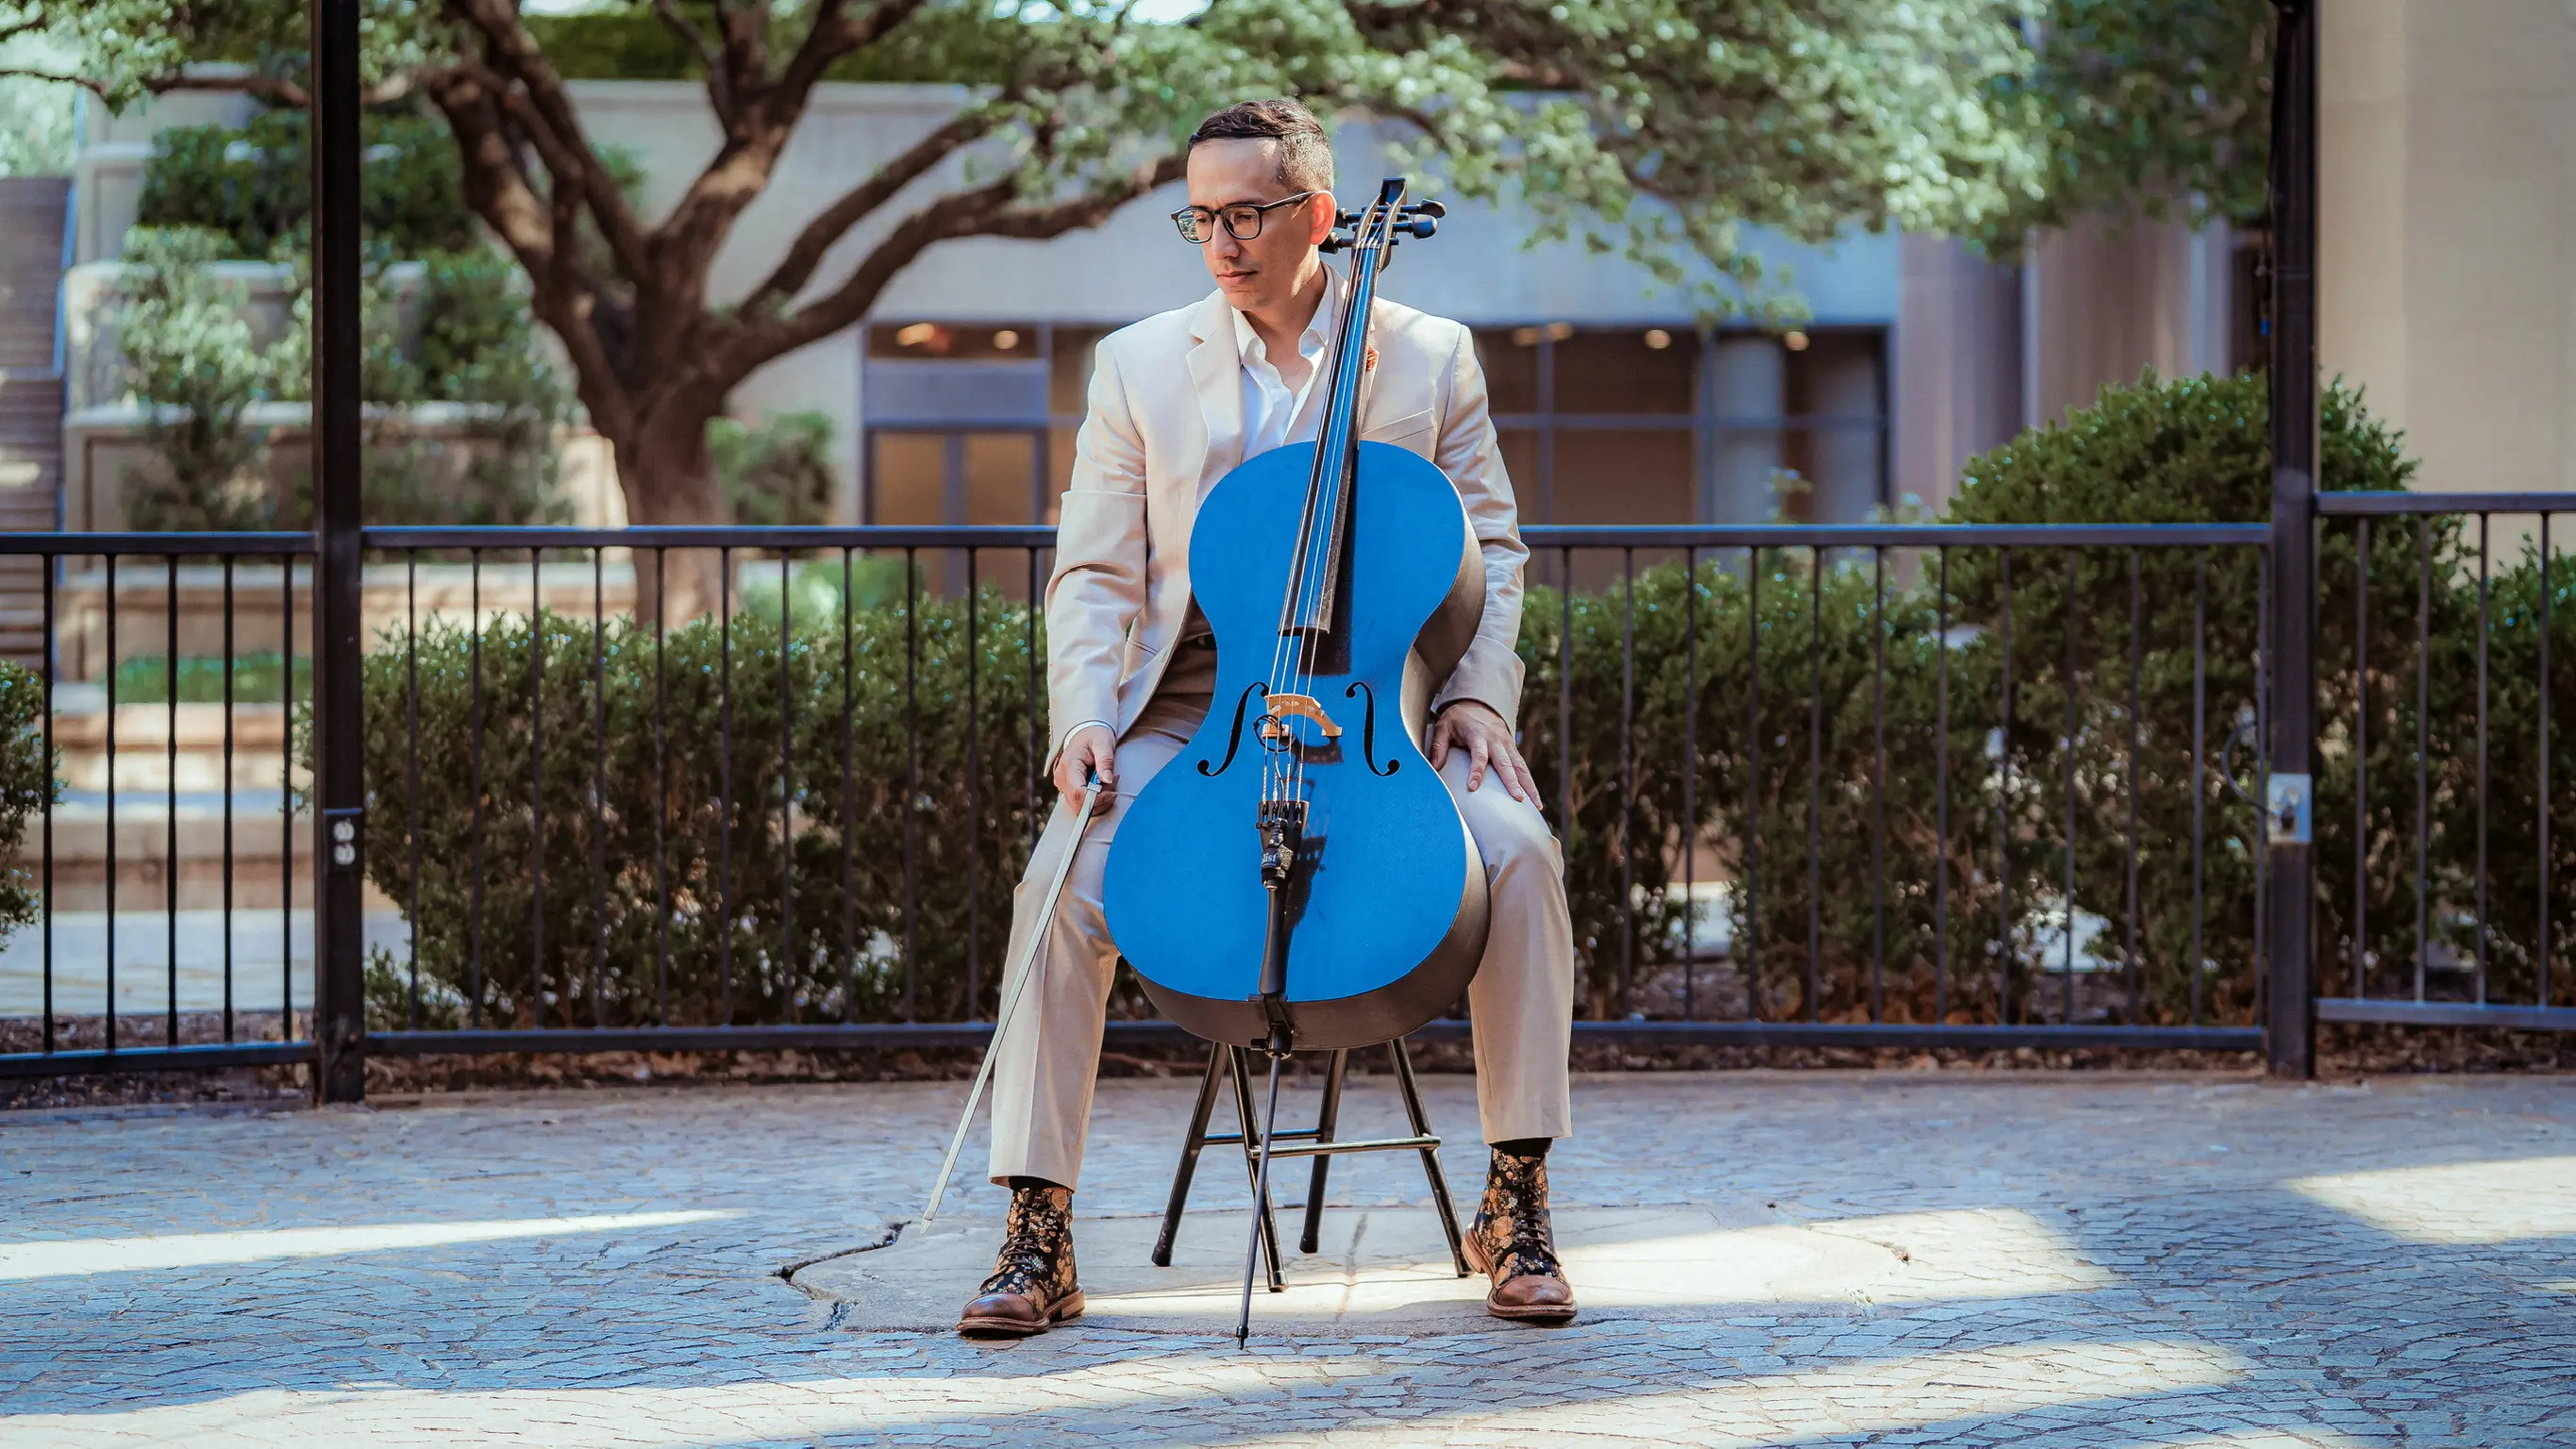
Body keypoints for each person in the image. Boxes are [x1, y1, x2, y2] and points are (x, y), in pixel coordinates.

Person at [956, 97, 1579, 1338]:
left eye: (1247, 214)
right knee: (1063, 877)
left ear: (1319, 216)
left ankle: (1514, 1197)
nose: (1223, 242)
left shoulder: (1427, 353)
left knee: (1517, 857)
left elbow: (1491, 550)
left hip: (1375, 703)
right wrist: (1082, 716)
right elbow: (1094, 571)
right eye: (1201, 217)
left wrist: (1468, 694)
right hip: (1199, 710)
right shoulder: (1137, 363)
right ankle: (1037, 1231)